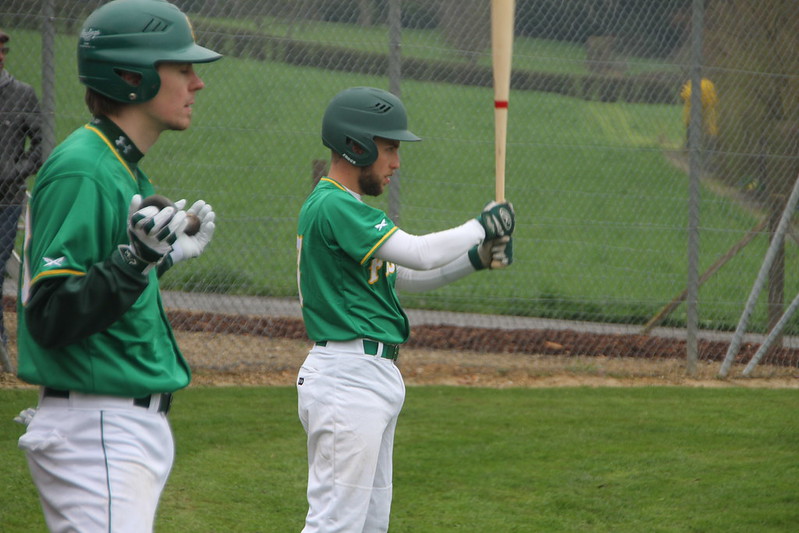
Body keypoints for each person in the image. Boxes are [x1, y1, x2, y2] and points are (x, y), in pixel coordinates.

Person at [13, 1, 220, 531]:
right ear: (132, 76)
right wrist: (134, 260)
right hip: (96, 426)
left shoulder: (116, 165)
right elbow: (51, 315)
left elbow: (100, 288)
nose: (196, 83)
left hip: (111, 425)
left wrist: (158, 259)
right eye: (182, 68)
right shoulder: (85, 168)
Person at [296, 86, 516, 532]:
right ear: (356, 145)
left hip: (365, 378)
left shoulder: (345, 209)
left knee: (369, 525)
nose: (396, 162)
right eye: (389, 148)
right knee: (335, 526)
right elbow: (419, 252)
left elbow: (408, 274)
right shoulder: (335, 205)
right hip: (347, 378)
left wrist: (475, 259)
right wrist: (481, 226)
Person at [0, 29, 43, 346]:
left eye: (3, 50)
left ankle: (0, 340)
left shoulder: (22, 94)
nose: (1, 55)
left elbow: (41, 147)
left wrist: (15, 172)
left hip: (8, 198)